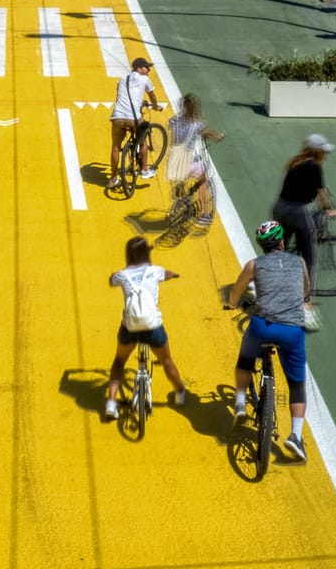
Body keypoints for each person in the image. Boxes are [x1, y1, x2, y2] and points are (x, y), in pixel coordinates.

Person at [225, 221, 312, 462]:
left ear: (261, 245)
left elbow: (236, 291)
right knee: (296, 384)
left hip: (262, 327)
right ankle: (295, 435)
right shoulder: (299, 262)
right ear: (283, 242)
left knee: (244, 360)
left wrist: (232, 304)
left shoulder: (254, 265)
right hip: (292, 331)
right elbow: (305, 289)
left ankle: (241, 401)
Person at [105, 237, 190, 418]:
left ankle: (111, 403)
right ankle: (180, 393)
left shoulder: (122, 275)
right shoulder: (155, 271)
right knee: (166, 360)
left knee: (119, 362)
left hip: (130, 328)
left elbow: (111, 281)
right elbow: (167, 274)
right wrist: (173, 275)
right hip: (153, 328)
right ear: (146, 253)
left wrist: (114, 276)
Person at [271, 135, 335, 283]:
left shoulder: (295, 162)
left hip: (280, 208)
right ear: (317, 151)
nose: (326, 154)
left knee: (278, 250)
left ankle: (271, 282)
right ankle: (306, 296)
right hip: (297, 212)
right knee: (309, 256)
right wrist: (328, 209)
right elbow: (321, 195)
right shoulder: (314, 167)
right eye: (324, 151)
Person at [166, 93, 224, 225]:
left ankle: (181, 187)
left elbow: (170, 125)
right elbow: (206, 133)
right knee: (204, 179)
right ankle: (203, 213)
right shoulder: (197, 124)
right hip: (188, 161)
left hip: (173, 162)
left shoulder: (175, 120)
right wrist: (217, 135)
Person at [109, 56, 162, 188]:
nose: (149, 70)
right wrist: (155, 106)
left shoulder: (121, 80)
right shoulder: (144, 79)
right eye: (146, 67)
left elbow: (124, 97)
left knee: (116, 147)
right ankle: (144, 170)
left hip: (117, 117)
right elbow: (152, 96)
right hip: (133, 118)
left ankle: (113, 178)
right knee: (143, 141)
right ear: (139, 68)